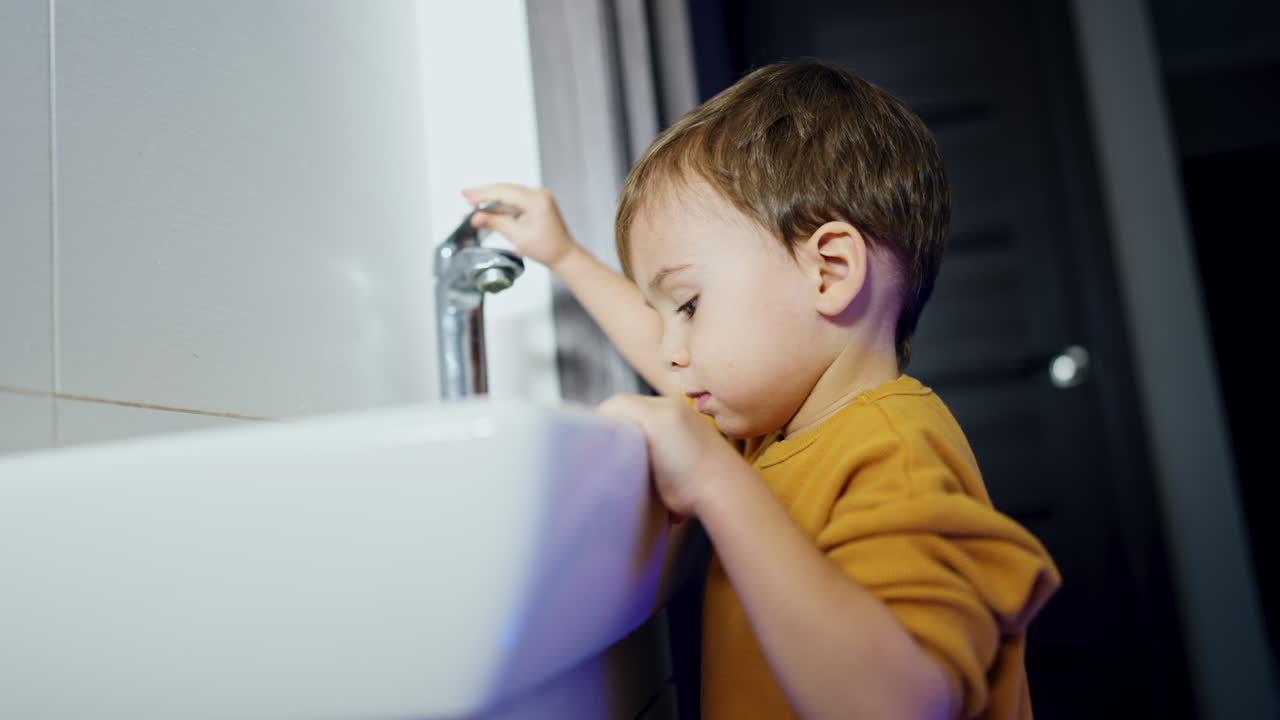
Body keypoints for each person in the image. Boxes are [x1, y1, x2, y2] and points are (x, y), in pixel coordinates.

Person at [463, 59, 1060, 720]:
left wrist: (716, 482)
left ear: (829, 271)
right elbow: (673, 359)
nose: (670, 347)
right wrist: (565, 255)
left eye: (687, 306)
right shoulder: (778, 429)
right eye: (665, 314)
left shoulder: (894, 454)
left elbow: (894, 705)